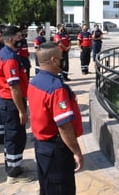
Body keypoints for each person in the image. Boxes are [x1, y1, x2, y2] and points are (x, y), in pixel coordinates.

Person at [27, 41, 84, 194]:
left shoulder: (35, 81)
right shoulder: (56, 88)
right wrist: (76, 152)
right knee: (61, 189)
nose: (63, 60)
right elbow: (64, 126)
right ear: (53, 60)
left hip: (42, 146)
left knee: (46, 187)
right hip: (56, 149)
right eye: (61, 57)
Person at [0, 26, 33, 183]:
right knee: (14, 137)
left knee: (15, 136)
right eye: (19, 37)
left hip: (9, 102)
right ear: (10, 39)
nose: (21, 39)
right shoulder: (9, 58)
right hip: (11, 103)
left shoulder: (8, 54)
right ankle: (13, 173)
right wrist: (21, 111)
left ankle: (14, 165)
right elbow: (14, 87)